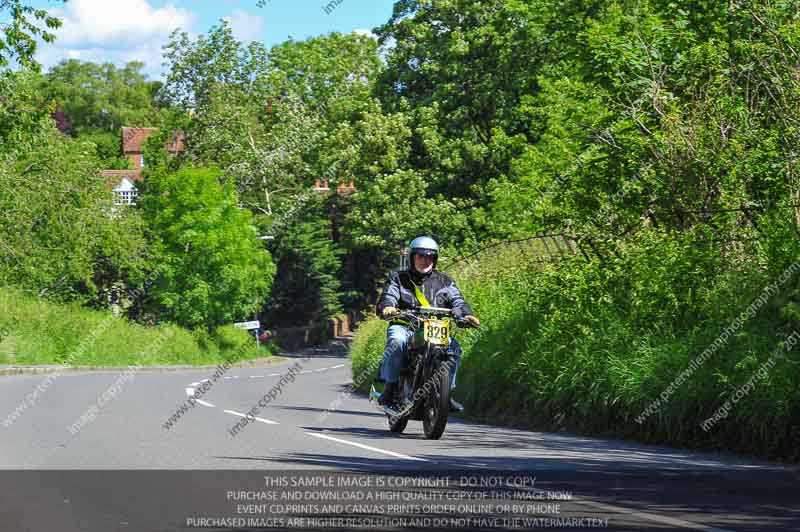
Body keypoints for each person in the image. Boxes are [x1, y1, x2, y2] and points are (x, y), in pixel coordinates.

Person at [376, 236, 480, 412]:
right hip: (405, 326)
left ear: (435, 259)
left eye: (429, 257)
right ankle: (391, 386)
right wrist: (388, 307)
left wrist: (467, 315)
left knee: (454, 349)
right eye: (420, 256)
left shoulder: (445, 281)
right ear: (412, 257)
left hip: (434, 329)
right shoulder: (398, 278)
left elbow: (458, 300)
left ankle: (446, 394)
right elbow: (389, 296)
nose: (425, 260)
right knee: (396, 341)